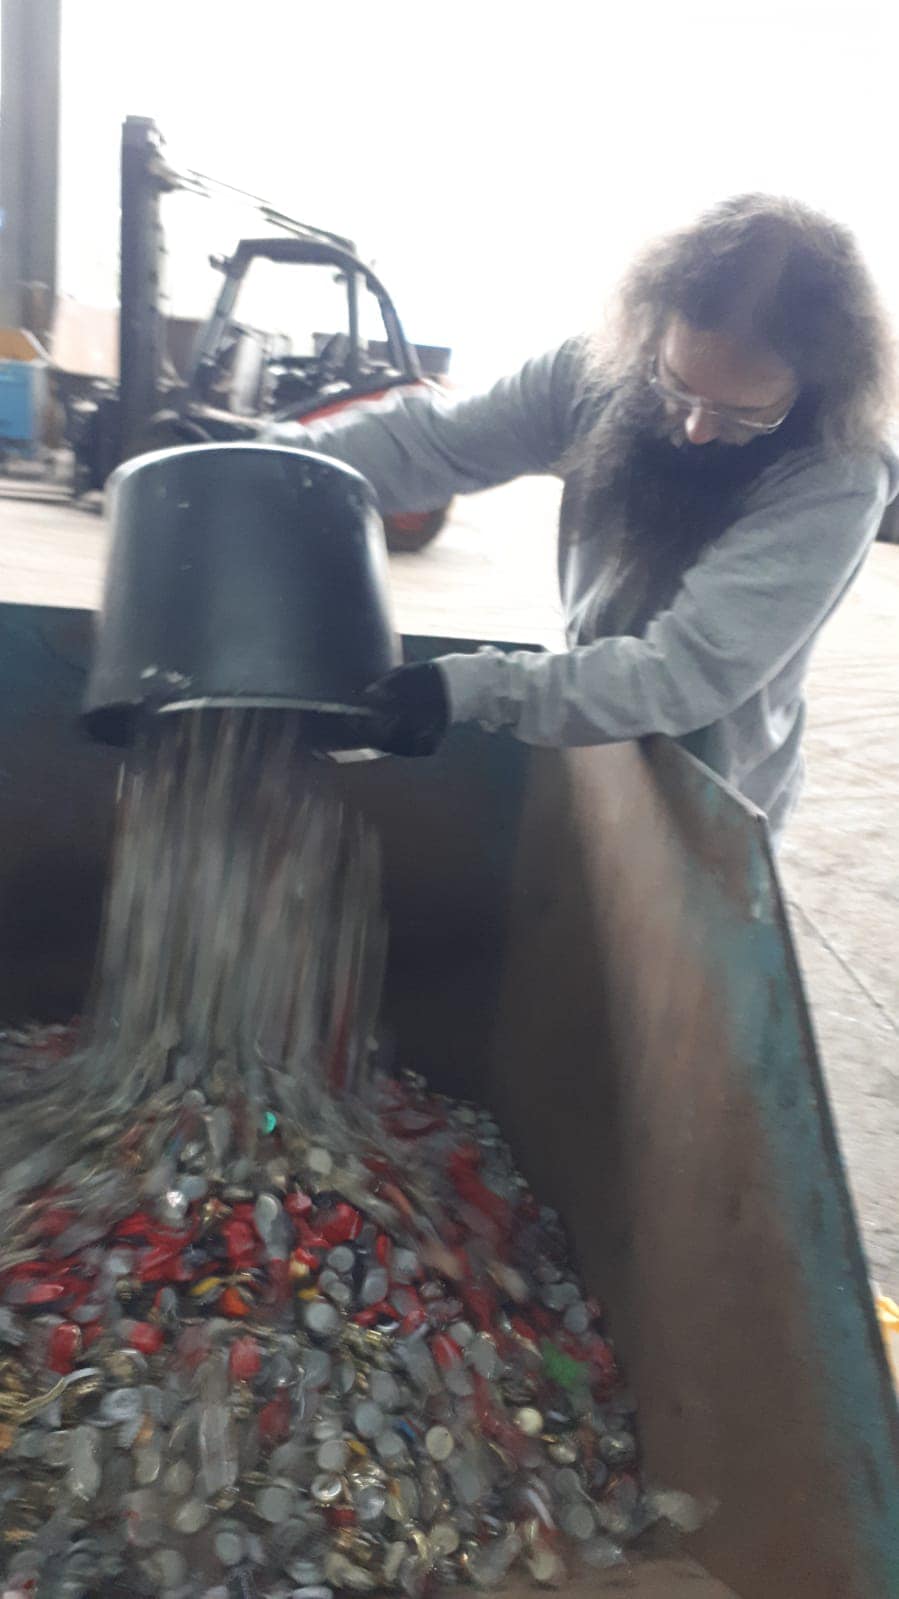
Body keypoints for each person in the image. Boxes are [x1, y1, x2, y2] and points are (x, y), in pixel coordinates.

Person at [267, 195, 898, 839]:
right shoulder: (595, 377)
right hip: (597, 718)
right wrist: (270, 460)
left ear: (816, 387)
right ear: (653, 326)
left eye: (743, 414)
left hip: (716, 790)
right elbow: (434, 442)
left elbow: (682, 676)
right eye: (677, 384)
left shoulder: (838, 474)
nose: (696, 429)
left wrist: (469, 688)